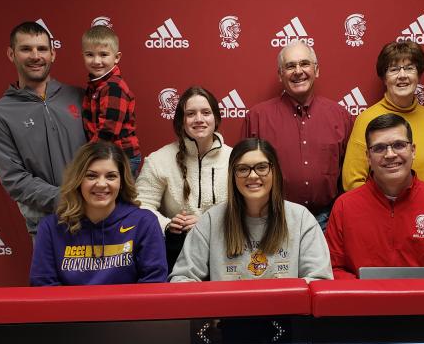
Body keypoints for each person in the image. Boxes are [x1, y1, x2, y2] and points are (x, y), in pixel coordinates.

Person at [325, 114, 424, 280]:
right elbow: (332, 270)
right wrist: (368, 294)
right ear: (368, 157)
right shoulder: (344, 207)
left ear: (413, 151)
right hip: (366, 304)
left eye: (399, 145)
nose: (390, 154)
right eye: (379, 148)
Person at [169, 138, 332, 282]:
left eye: (262, 167)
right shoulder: (211, 220)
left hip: (286, 315)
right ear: (232, 175)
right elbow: (182, 279)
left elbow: (319, 279)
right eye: (243, 169)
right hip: (227, 315)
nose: (253, 176)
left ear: (275, 172)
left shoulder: (301, 218)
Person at [0, 21, 86, 235]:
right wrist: (71, 200)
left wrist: (94, 198)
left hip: (94, 218)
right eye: (26, 49)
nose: (35, 56)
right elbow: (14, 178)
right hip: (46, 227)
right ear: (11, 54)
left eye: (42, 49)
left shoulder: (80, 97)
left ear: (53, 54)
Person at [241, 41, 352, 230]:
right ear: (280, 74)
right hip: (274, 221)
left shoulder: (340, 116)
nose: (298, 71)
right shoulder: (257, 117)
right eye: (290, 66)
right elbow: (244, 173)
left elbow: (350, 172)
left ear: (316, 70)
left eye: (305, 64)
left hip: (327, 221)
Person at [30, 141, 167, 286]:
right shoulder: (51, 227)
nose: (101, 184)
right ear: (78, 180)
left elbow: (153, 285)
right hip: (70, 309)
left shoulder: (144, 223)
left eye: (111, 176)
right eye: (91, 176)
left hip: (127, 309)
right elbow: (43, 286)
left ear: (121, 182)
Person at [135, 86, 232, 270]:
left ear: (216, 118)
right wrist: (167, 225)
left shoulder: (234, 159)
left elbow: (247, 207)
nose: (199, 119)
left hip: (226, 251)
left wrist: (207, 222)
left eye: (206, 112)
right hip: (175, 254)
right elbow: (140, 205)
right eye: (191, 114)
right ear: (181, 121)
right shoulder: (158, 160)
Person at [342, 40, 424, 190]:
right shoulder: (367, 119)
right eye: (394, 69)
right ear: (384, 78)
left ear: (419, 75)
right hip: (381, 210)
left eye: (409, 68)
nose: (402, 75)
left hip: (423, 210)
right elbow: (352, 181)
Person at [81, 25, 141, 176]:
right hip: (109, 154)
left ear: (116, 57)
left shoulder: (113, 87)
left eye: (103, 54)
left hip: (122, 157)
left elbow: (108, 130)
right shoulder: (96, 85)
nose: (96, 61)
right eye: (90, 55)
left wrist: (87, 155)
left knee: (119, 199)